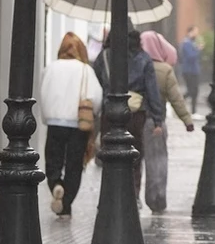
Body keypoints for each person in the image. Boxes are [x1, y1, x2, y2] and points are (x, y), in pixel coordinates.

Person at [91, 29, 166, 207]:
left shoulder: (105, 57)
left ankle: (110, 195)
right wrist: (157, 118)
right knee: (135, 156)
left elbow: (97, 85)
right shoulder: (144, 58)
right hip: (135, 114)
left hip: (109, 113)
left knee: (109, 155)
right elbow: (152, 90)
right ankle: (134, 196)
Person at [40, 32, 102, 217]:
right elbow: (96, 98)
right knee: (75, 165)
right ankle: (66, 204)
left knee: (53, 160)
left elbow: (42, 94)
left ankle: (56, 184)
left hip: (55, 122)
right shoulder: (85, 70)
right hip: (78, 124)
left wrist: (47, 117)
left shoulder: (51, 68)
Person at [139, 30, 193, 212]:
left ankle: (133, 197)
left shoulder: (134, 65)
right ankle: (156, 198)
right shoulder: (164, 70)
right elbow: (176, 98)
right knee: (157, 161)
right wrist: (186, 119)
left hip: (132, 120)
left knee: (133, 162)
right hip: (155, 122)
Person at [179, 26, 205, 111]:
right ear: (190, 32)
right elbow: (191, 56)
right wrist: (198, 49)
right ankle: (178, 102)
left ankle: (193, 111)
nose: (196, 34)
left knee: (195, 92)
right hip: (188, 70)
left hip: (194, 70)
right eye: (195, 31)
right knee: (191, 91)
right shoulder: (186, 43)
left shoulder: (192, 43)